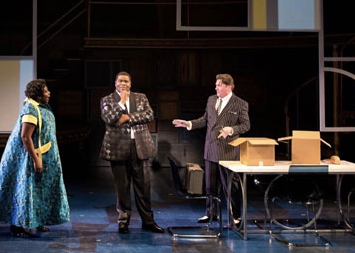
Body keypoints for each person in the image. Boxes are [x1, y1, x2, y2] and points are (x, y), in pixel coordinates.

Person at [0, 79, 70, 238]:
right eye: (45, 91)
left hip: (45, 155)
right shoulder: (30, 110)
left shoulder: (41, 108)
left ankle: (37, 220)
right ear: (38, 94)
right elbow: (25, 137)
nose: (49, 93)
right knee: (25, 190)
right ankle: (18, 225)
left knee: (39, 190)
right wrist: (36, 159)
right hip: (30, 157)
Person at [172, 73, 250, 225]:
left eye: (219, 85)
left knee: (230, 187)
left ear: (228, 87)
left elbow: (246, 125)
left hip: (228, 151)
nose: (216, 87)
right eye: (216, 85)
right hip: (210, 148)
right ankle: (211, 213)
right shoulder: (211, 100)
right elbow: (205, 120)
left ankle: (236, 216)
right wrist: (188, 124)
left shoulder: (240, 103)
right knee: (210, 185)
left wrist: (232, 130)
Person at [100, 72, 164, 234]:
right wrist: (121, 102)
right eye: (120, 81)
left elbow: (149, 114)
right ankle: (123, 221)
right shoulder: (107, 100)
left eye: (126, 81)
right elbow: (109, 118)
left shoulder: (141, 97)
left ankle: (148, 221)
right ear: (115, 83)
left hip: (140, 147)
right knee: (122, 187)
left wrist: (127, 117)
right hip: (118, 149)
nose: (123, 83)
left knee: (143, 187)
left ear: (130, 83)